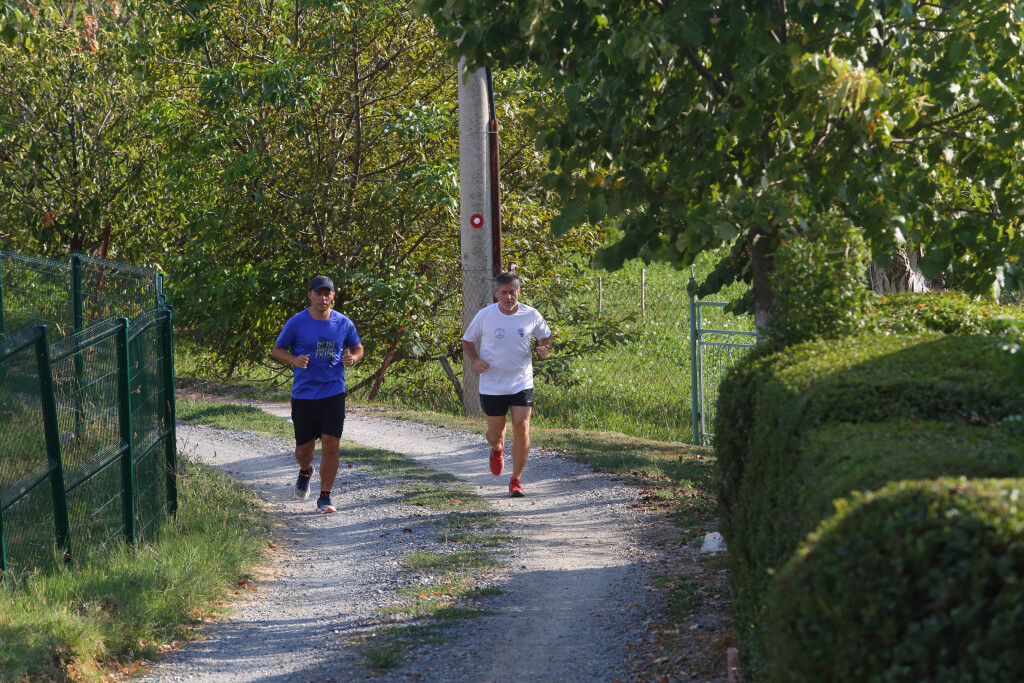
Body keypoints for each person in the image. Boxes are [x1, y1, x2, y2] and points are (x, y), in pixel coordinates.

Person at [272, 275, 364, 513]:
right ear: (310, 295)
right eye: (318, 293)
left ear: (333, 296)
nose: (323, 298)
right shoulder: (297, 322)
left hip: (334, 393)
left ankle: (325, 497)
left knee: (331, 444)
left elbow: (358, 348)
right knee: (305, 450)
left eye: (327, 294)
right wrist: (294, 359)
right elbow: (278, 349)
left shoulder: (343, 323)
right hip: (304, 395)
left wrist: (352, 358)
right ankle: (305, 470)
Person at [461, 271, 552, 497]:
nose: (508, 297)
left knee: (522, 427)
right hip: (492, 384)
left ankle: (516, 480)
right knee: (496, 434)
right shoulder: (485, 316)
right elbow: (467, 341)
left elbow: (546, 336)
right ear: (496, 294)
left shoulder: (530, 314)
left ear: (519, 292)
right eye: (503, 293)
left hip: (521, 381)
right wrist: (476, 360)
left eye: (512, 292)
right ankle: (497, 449)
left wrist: (545, 349)